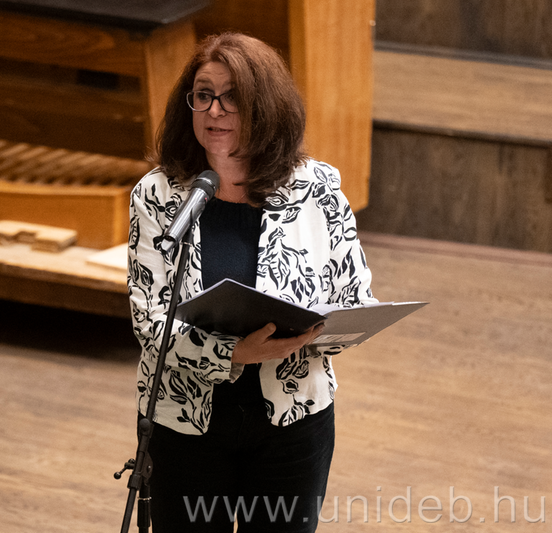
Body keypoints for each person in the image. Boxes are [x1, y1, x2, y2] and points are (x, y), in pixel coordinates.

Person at [127, 32, 377, 532]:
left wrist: (318, 332)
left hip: (292, 418)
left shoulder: (317, 190)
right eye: (203, 95)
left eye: (232, 97)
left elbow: (354, 297)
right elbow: (149, 322)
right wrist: (233, 354)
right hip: (185, 418)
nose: (214, 110)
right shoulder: (158, 195)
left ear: (266, 107)